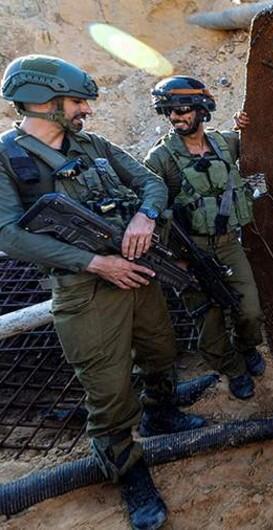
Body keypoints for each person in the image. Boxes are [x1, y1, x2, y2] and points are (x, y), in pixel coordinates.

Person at [0, 55, 206, 530]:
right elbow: (8, 235)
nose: (86, 110)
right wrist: (94, 263)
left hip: (138, 273)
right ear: (44, 101)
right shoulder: (8, 158)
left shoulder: (91, 144)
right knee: (109, 393)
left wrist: (144, 217)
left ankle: (161, 414)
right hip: (85, 291)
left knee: (160, 350)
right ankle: (129, 472)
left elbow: (150, 182)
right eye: (77, 102)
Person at [144, 76, 265, 400]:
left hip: (228, 245)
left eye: (182, 109)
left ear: (201, 109)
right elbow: (150, 213)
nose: (175, 117)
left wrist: (244, 124)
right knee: (209, 326)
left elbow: (255, 140)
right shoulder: (160, 159)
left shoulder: (226, 143)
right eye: (169, 111)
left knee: (250, 311)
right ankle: (234, 370)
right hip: (189, 252)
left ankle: (247, 347)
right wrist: (175, 260)